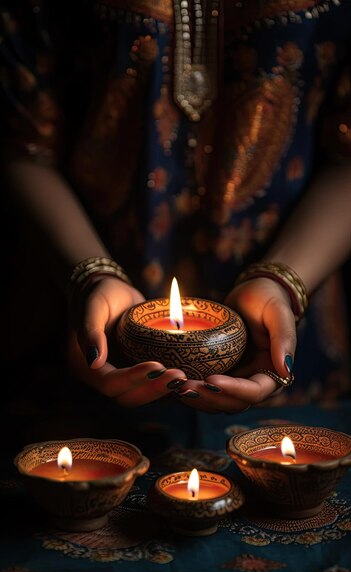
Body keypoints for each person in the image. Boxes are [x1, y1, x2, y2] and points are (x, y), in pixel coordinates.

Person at [1, 0, 351, 420]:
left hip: (285, 340)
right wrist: (88, 276)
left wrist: (284, 282)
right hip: (69, 334)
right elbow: (22, 142)